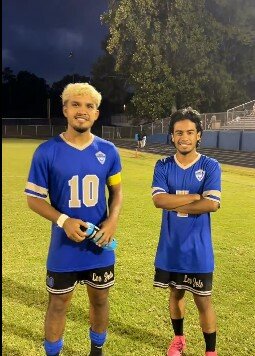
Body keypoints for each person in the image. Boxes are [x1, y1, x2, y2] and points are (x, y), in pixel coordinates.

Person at [24, 82, 123, 356]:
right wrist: (63, 221)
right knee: (58, 303)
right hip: (63, 247)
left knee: (100, 300)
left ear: (97, 113)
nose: (82, 110)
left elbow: (117, 191)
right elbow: (33, 199)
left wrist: (112, 221)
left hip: (99, 244)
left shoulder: (109, 151)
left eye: (89, 106)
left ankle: (97, 351)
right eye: (76, 104)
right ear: (65, 109)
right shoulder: (47, 151)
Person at [151, 108, 221, 356]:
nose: (184, 137)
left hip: (198, 249)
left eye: (190, 132)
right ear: (171, 136)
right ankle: (178, 340)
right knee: (176, 293)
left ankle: (210, 352)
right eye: (179, 132)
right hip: (171, 247)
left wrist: (175, 200)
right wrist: (193, 196)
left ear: (199, 135)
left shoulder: (210, 165)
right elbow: (159, 201)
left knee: (203, 301)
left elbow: (212, 204)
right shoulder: (163, 165)